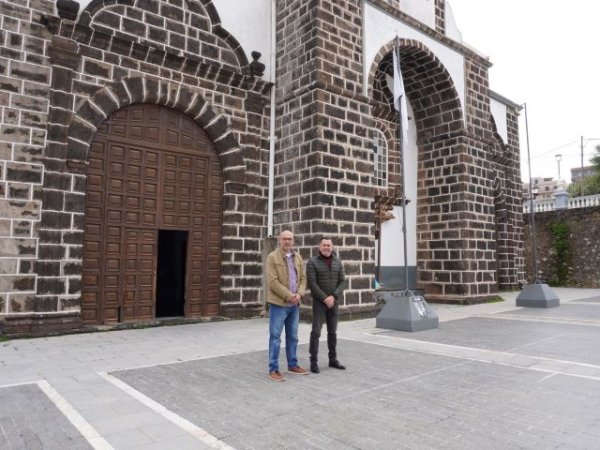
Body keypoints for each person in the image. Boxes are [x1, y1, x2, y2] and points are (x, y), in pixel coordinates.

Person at [265, 230, 309, 381]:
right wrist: (289, 295)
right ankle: (273, 369)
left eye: (290, 239)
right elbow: (272, 282)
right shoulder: (272, 257)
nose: (287, 242)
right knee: (275, 337)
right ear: (279, 240)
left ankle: (292, 364)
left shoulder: (298, 257)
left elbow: (303, 279)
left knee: (293, 337)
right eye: (284, 239)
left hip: (294, 305)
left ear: (293, 241)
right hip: (279, 305)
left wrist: (300, 294)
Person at [307, 237, 346, 373]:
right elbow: (312, 284)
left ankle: (333, 359)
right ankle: (313, 361)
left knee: (332, 331)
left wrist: (333, 297)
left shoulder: (338, 262)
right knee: (316, 331)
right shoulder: (312, 262)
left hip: (334, 302)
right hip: (319, 302)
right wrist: (325, 298)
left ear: (332, 247)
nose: (326, 247)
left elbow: (342, 282)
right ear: (319, 247)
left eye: (329, 245)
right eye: (324, 245)